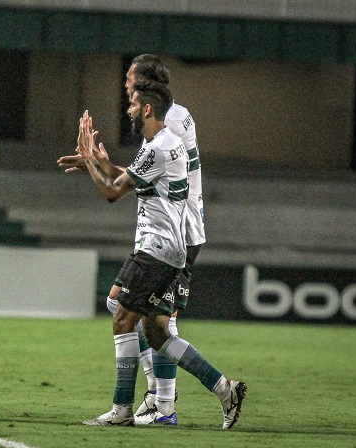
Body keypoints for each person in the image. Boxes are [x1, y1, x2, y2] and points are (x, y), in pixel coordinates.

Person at [73, 80, 246, 429]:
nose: (129, 110)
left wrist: (91, 161)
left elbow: (112, 193)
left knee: (122, 319)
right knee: (156, 334)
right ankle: (224, 388)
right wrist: (99, 164)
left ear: (148, 109)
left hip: (156, 248)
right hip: (170, 250)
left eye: (133, 104)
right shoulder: (167, 144)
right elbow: (134, 179)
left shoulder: (158, 147)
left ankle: (122, 409)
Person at [58, 54, 205, 425]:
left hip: (177, 231)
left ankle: (163, 403)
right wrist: (99, 164)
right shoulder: (173, 116)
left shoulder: (166, 124)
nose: (125, 87)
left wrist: (98, 166)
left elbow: (140, 180)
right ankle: (161, 397)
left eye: (129, 80)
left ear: (144, 87)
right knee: (130, 309)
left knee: (157, 321)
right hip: (175, 229)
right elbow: (145, 175)